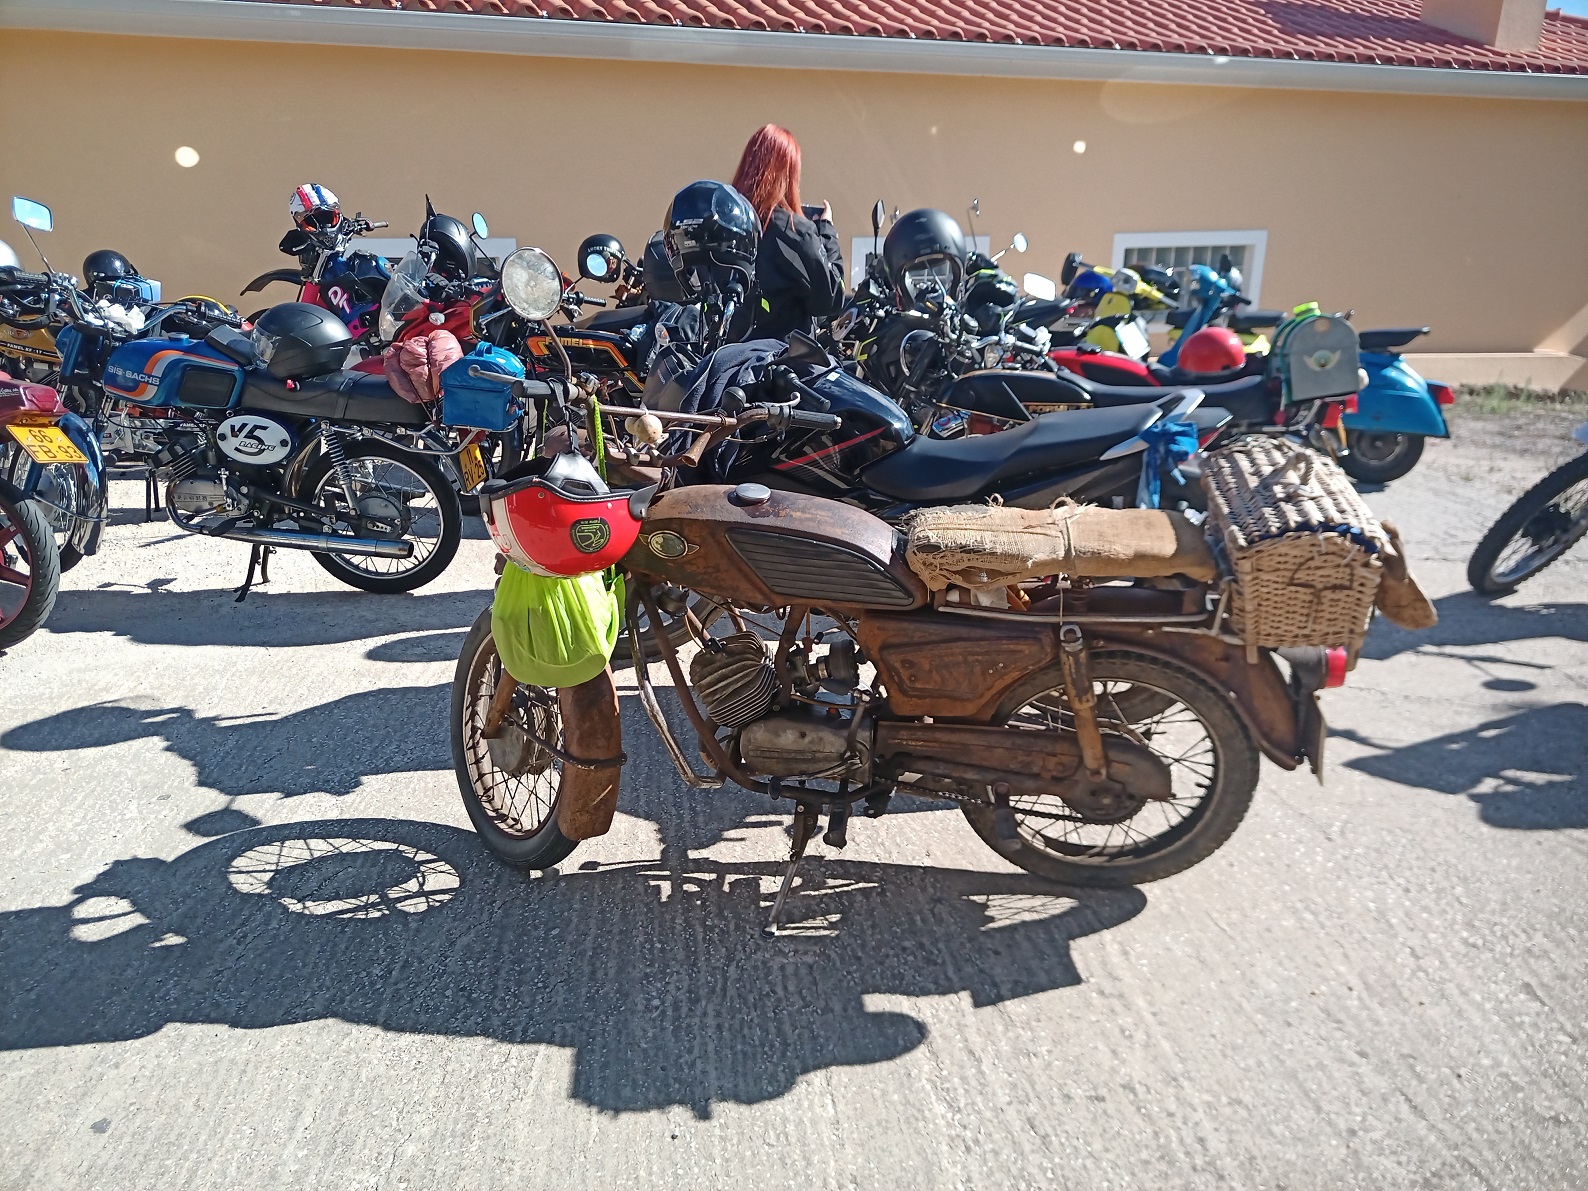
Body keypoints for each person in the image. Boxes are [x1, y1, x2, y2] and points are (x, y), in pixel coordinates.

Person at [730, 124, 845, 341]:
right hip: (782, 356)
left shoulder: (729, 225)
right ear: (789, 174)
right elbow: (831, 299)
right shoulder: (796, 232)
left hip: (728, 353)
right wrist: (827, 230)